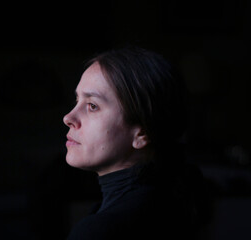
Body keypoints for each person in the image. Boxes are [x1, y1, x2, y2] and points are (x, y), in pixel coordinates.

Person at [63, 46, 208, 239]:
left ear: (142, 134)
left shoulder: (102, 230)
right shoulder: (170, 202)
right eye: (77, 100)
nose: (68, 117)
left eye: (92, 106)